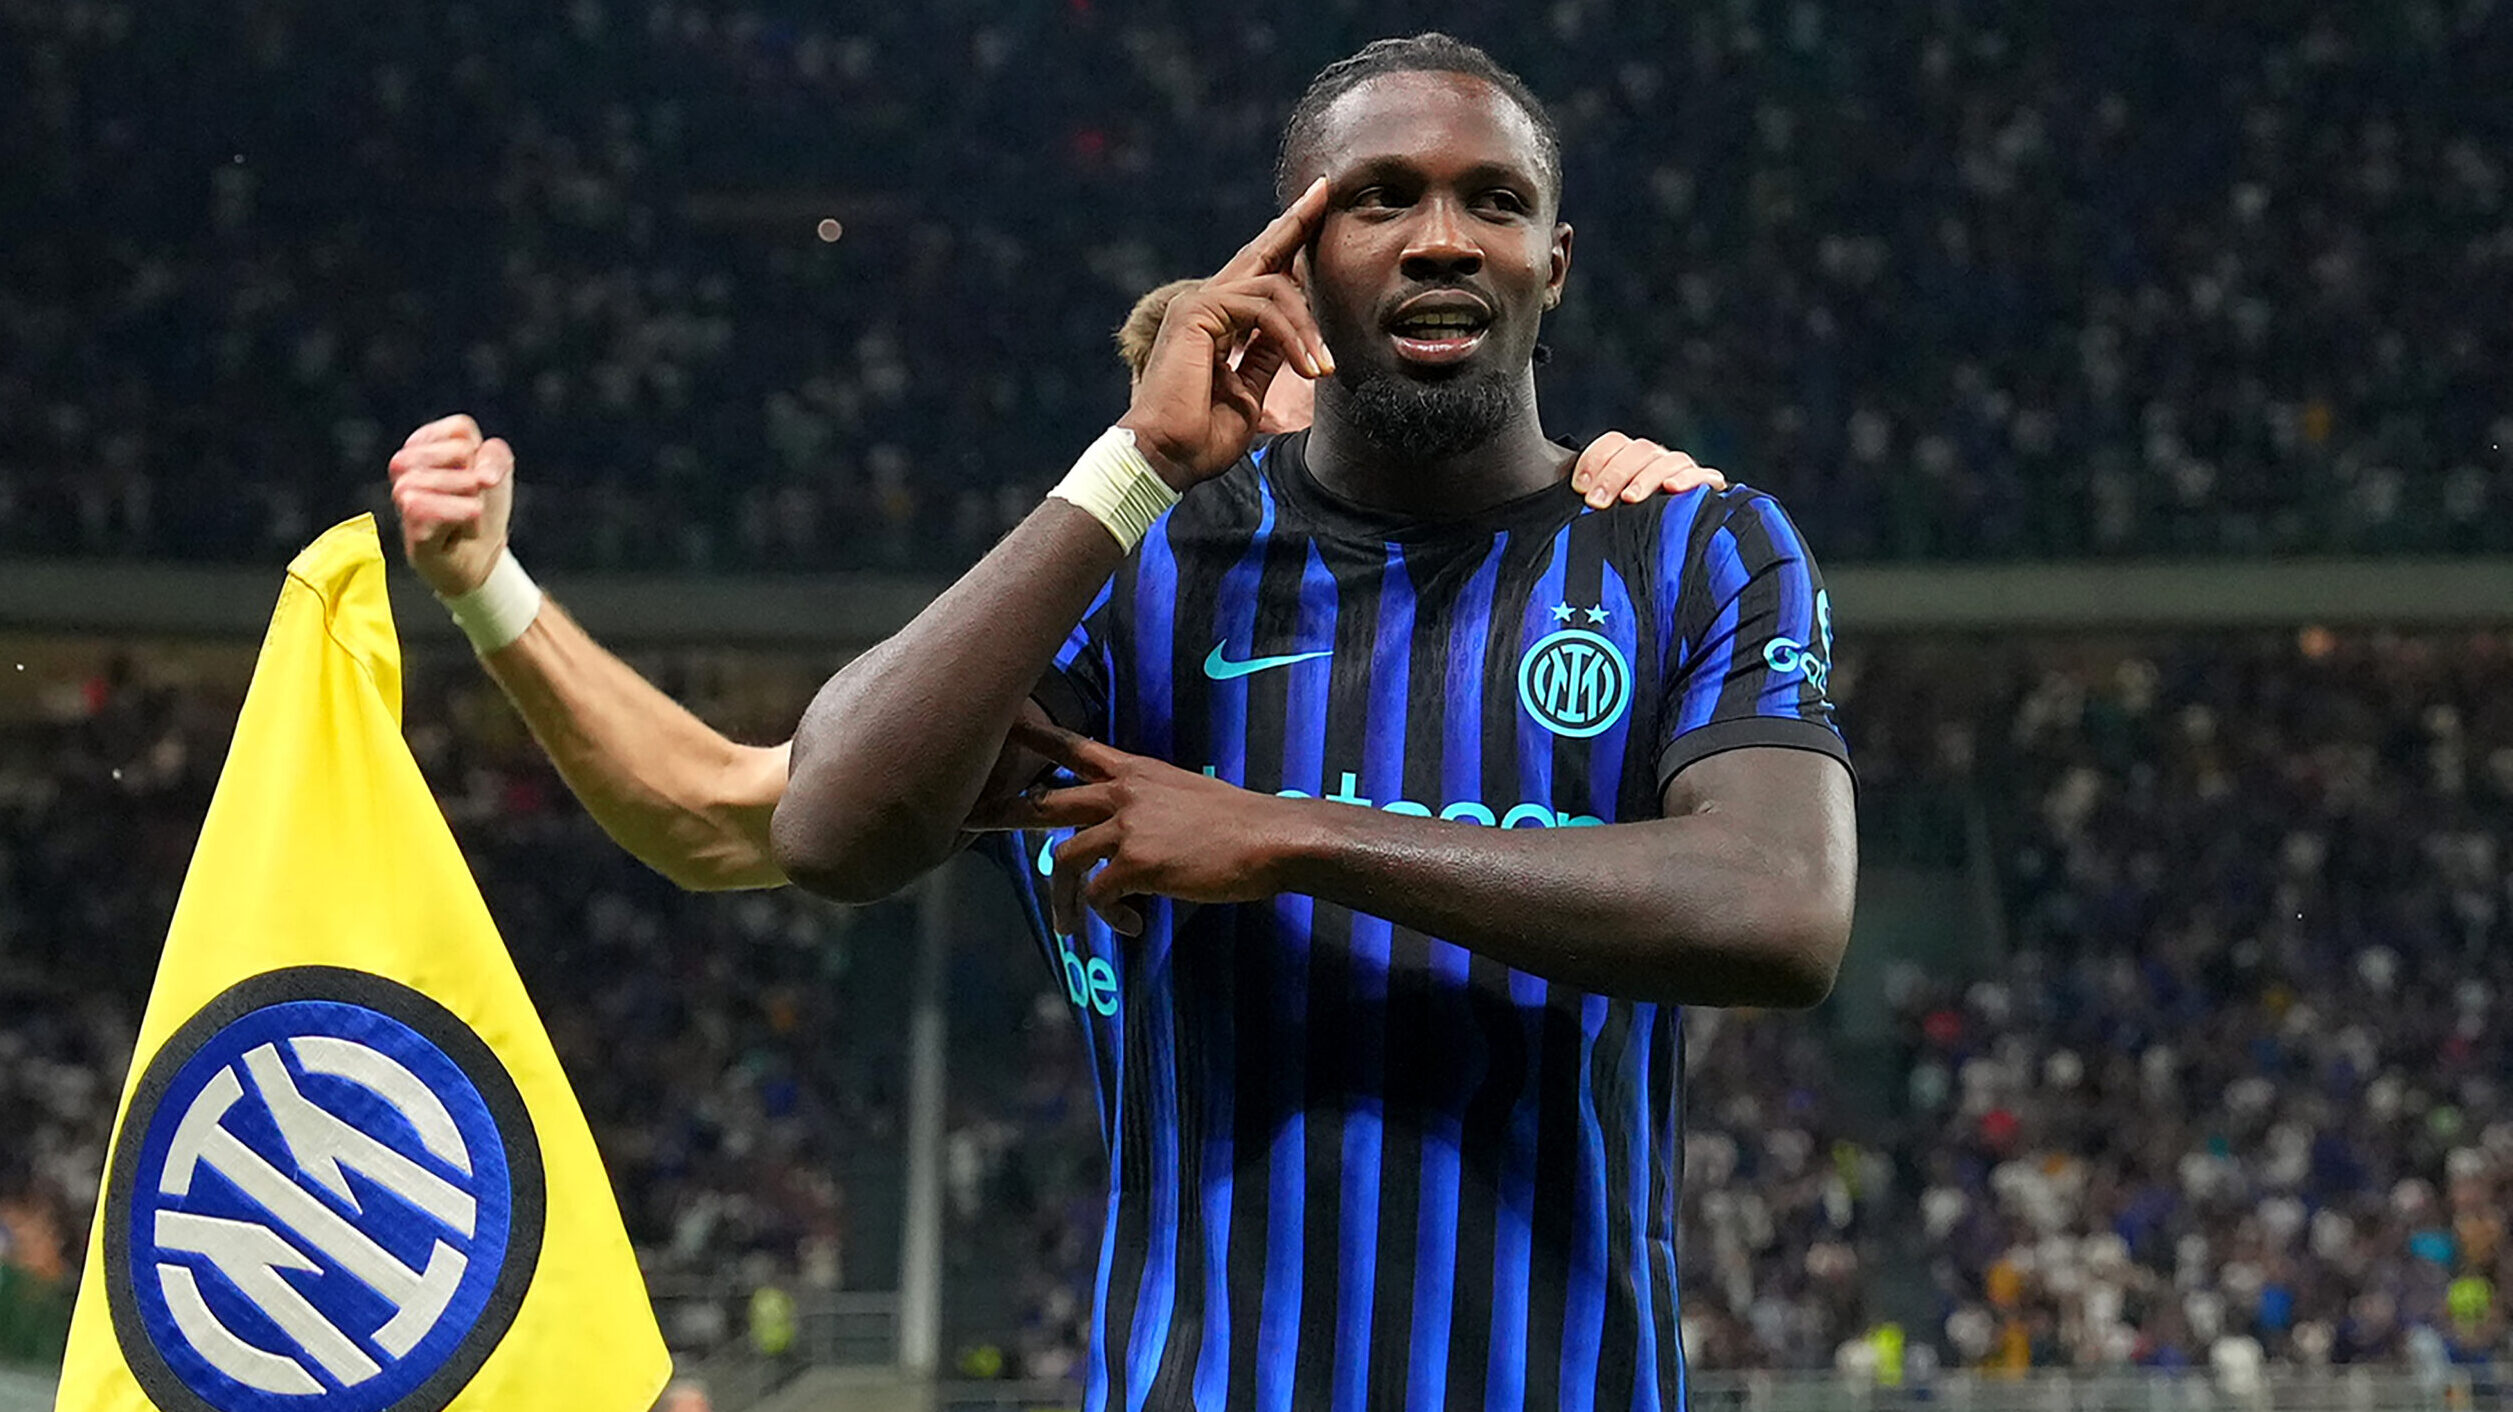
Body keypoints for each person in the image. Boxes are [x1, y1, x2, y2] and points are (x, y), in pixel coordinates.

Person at [767, 32, 1854, 1410]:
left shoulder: (1695, 552)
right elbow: (828, 827)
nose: (1443, 238)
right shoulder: (1150, 565)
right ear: (1288, 263)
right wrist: (1134, 468)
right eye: (1380, 196)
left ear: (1553, 266)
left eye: (1495, 202)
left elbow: (1780, 912)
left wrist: (1283, 838)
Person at [385, 318, 1727, 891]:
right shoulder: (1103, 663)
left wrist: (1632, 523)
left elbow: (1750, 885)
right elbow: (717, 817)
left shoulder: (1593, 580)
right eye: (1215, 419)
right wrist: (485, 587)